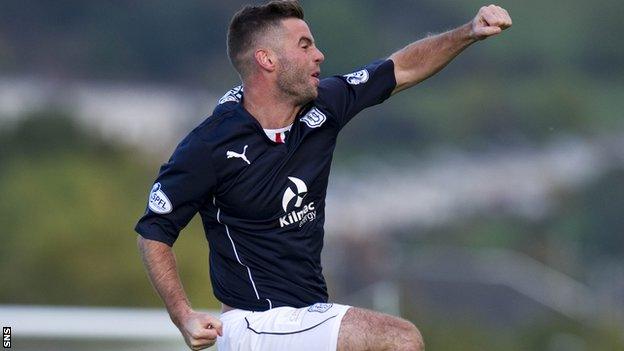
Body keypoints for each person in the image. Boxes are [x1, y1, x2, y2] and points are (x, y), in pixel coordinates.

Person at [135, 1, 512, 350]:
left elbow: (402, 67)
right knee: (400, 339)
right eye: (304, 45)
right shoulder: (211, 144)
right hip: (255, 323)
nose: (319, 54)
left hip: (305, 318)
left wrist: (468, 32)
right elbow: (154, 232)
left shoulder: (324, 106)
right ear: (267, 59)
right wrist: (183, 316)